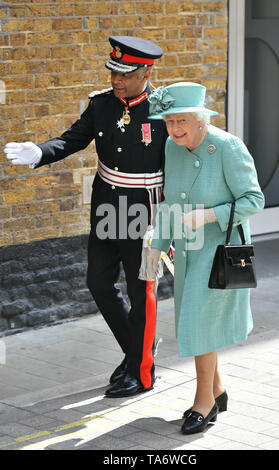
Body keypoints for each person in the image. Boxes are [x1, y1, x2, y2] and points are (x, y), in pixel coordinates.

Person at [4, 36, 168, 398]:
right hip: (108, 206)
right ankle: (136, 351)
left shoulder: (165, 108)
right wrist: (39, 152)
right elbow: (72, 139)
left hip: (147, 211)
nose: (116, 80)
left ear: (145, 72)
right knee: (98, 283)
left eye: (124, 74)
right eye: (113, 72)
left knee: (142, 293)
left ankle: (142, 374)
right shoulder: (101, 106)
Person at [146, 82, 265, 434]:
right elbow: (169, 202)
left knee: (199, 321)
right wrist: (157, 244)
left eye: (181, 121)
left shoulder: (228, 147)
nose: (174, 129)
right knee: (200, 321)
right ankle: (218, 389)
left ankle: (204, 403)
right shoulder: (172, 145)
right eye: (169, 121)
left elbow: (254, 200)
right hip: (187, 250)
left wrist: (209, 215)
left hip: (219, 251)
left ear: (201, 119)